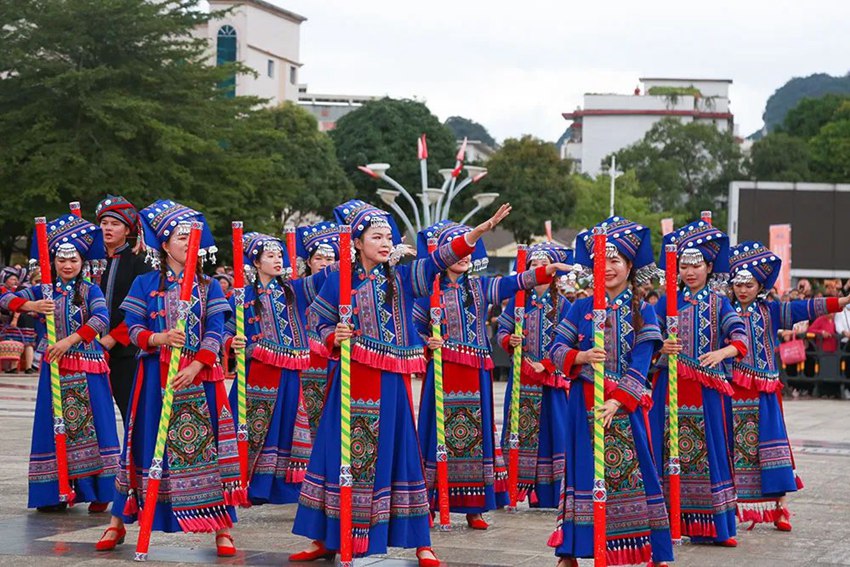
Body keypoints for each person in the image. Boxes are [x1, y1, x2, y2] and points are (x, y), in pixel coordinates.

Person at [292, 200, 511, 567]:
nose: (383, 242)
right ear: (357, 242)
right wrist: (336, 335)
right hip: (350, 379)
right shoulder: (339, 279)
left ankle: (420, 542)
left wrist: (479, 231)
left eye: (388, 237)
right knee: (335, 455)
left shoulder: (404, 279)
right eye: (375, 236)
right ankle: (327, 538)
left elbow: (439, 260)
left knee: (402, 458)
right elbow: (317, 321)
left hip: (390, 384)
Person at [96, 200, 239, 556]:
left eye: (192, 238)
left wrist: (195, 366)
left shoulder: (211, 288)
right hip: (154, 375)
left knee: (210, 449)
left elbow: (217, 330)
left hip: (201, 378)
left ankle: (221, 527)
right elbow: (133, 329)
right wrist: (159, 338)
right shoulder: (146, 282)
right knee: (141, 444)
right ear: (164, 245)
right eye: (179, 238)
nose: (187, 244)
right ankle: (119, 520)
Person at [413, 223, 569, 528]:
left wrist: (544, 271)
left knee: (476, 438)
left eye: (467, 251)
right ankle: (431, 504)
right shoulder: (427, 292)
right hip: (443, 371)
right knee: (436, 437)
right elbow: (412, 327)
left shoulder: (479, 288)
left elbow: (514, 284)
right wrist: (426, 343)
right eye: (456, 250)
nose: (463, 256)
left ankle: (474, 507)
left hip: (476, 374)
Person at [548, 217, 672, 567]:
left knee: (637, 469)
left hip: (624, 404)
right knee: (581, 472)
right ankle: (572, 550)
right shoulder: (580, 307)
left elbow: (643, 360)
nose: (609, 268)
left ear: (630, 266)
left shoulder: (643, 311)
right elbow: (556, 348)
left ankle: (649, 549)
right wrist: (581, 356)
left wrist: (618, 400)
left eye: (616, 261)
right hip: (583, 402)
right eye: (603, 261)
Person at [1, 215, 119, 513]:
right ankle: (54, 491)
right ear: (53, 262)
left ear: (82, 262)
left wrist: (69, 341)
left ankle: (99, 490)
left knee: (94, 427)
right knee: (54, 427)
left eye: (74, 260)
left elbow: (101, 319)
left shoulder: (89, 290)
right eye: (62, 260)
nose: (67, 266)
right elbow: (4, 296)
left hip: (86, 365)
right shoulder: (44, 290)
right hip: (55, 367)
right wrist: (29, 306)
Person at [728, 241, 850, 530]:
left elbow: (806, 307)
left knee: (772, 449)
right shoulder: (724, 312)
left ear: (760, 286)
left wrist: (843, 302)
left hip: (765, 391)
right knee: (732, 451)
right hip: (733, 389)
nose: (743, 290)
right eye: (738, 284)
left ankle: (780, 508)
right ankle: (731, 509)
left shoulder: (771, 311)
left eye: (750, 284)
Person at [651, 219, 747, 547]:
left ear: (709, 267)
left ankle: (715, 527)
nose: (689, 272)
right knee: (665, 450)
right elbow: (646, 335)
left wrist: (722, 352)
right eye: (683, 266)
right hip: (669, 386)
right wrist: (660, 345)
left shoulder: (719, 302)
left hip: (705, 389)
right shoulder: (667, 301)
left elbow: (740, 337)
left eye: (696, 265)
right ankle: (668, 521)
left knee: (710, 451)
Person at [223, 231, 334, 505]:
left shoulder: (293, 290)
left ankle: (281, 488)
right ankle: (245, 484)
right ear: (257, 263)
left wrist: (346, 259)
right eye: (270, 256)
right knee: (253, 427)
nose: (277, 260)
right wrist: (231, 340)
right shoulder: (243, 296)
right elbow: (223, 329)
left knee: (286, 426)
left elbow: (321, 279)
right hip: (257, 371)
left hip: (289, 372)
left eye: (279, 255)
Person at [496, 242, 572, 508]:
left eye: (543, 265)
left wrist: (549, 364)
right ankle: (515, 489)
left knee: (554, 435)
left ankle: (550, 494)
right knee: (518, 432)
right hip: (522, 379)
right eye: (533, 265)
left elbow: (570, 342)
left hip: (551, 383)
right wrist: (510, 340)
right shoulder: (518, 303)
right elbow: (501, 333)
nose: (538, 269)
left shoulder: (563, 305)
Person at [94, 195, 151, 423]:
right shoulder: (89, 260)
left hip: (126, 351)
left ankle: (135, 458)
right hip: (89, 349)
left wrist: (112, 339)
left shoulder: (139, 261)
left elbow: (142, 307)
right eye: (104, 223)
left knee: (133, 412)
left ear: (127, 229)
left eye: (115, 224)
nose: (108, 228)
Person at [296, 221, 341, 441]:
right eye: (319, 259)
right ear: (308, 262)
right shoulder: (297, 289)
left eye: (330, 259)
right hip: (305, 366)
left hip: (334, 363)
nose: (324, 264)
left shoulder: (343, 293)